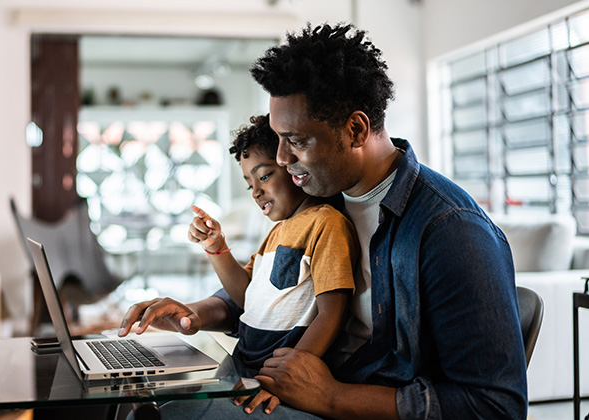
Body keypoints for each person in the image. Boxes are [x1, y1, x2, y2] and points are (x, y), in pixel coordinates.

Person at [118, 22, 527, 420]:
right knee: (138, 402)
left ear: (355, 129)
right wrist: (195, 314)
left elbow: (495, 406)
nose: (280, 158)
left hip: (341, 402)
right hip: (291, 387)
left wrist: (332, 397)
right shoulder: (320, 195)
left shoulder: (451, 231)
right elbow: (271, 290)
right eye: (278, 138)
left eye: (295, 140)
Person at [188, 114, 359, 413]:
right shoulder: (278, 232)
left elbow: (332, 313)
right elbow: (247, 298)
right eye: (248, 184)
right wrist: (217, 248)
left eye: (264, 176)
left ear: (294, 169)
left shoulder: (326, 223)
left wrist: (285, 379)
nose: (255, 191)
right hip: (242, 367)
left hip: (275, 383)